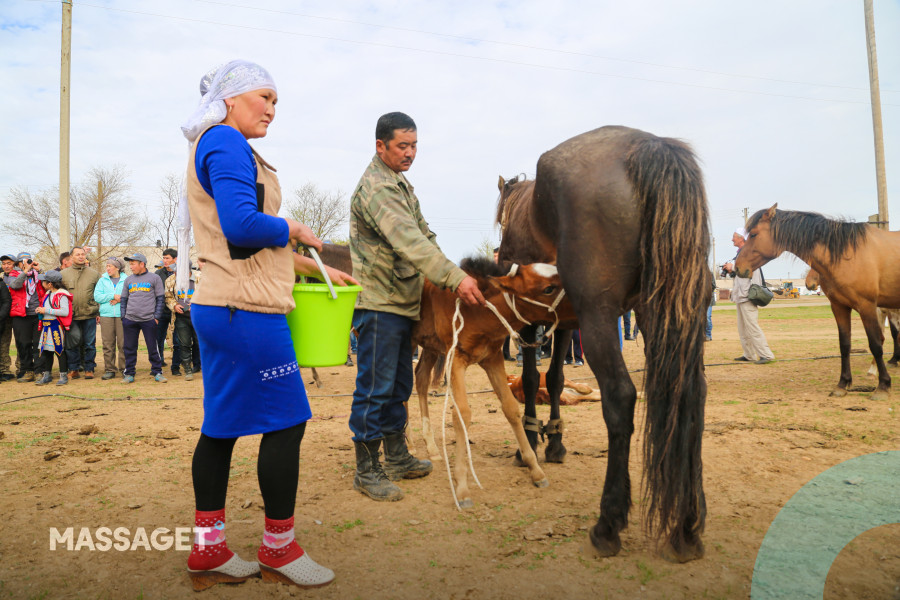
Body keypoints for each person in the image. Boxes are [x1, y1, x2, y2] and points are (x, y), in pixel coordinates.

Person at [179, 59, 356, 591]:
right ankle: (279, 548)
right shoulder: (225, 142)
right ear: (231, 99)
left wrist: (308, 264)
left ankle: (209, 548)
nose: (272, 110)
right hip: (248, 312)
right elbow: (241, 224)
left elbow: (236, 241)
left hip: (223, 303)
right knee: (286, 420)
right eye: (264, 98)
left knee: (222, 427)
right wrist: (296, 228)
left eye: (276, 102)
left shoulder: (217, 144)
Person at [349, 111, 485, 502]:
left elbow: (426, 234)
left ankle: (395, 455)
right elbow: (410, 241)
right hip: (380, 301)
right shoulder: (378, 189)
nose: (410, 153)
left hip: (405, 301)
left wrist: (447, 276)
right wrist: (455, 278)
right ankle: (367, 468)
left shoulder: (401, 185)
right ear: (381, 146)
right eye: (402, 146)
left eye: (414, 146)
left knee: (399, 384)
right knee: (375, 385)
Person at [724, 227, 775, 364]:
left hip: (747, 295)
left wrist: (732, 266)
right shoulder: (741, 253)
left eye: (734, 236)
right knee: (742, 328)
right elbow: (742, 273)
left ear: (742, 238)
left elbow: (748, 268)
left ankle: (766, 355)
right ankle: (749, 354)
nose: (732, 239)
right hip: (740, 295)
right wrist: (731, 270)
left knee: (752, 326)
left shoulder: (750, 252)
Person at [119, 253, 166, 383]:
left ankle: (157, 371)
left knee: (152, 347)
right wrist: (124, 317)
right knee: (129, 347)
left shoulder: (154, 278)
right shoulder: (128, 280)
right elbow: (123, 300)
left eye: (133, 264)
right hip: (130, 319)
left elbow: (160, 299)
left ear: (142, 264)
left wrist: (156, 317)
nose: (131, 266)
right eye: (130, 264)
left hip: (148, 320)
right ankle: (129, 373)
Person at [60, 246, 100, 379]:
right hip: (71, 316)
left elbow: (99, 293)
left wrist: (97, 310)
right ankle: (74, 368)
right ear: (71, 257)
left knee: (90, 343)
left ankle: (89, 368)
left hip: (90, 314)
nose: (81, 256)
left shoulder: (94, 274)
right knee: (72, 344)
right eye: (78, 254)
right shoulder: (63, 274)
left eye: (83, 254)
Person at [7, 252, 45, 382]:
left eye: (28, 261)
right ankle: (27, 371)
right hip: (20, 315)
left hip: (37, 314)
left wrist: (40, 270)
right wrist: (25, 272)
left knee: (39, 344)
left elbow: (48, 285)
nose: (26, 264)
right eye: (22, 262)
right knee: (23, 344)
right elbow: (15, 285)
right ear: (18, 264)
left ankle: (39, 371)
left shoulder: (37, 275)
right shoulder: (13, 274)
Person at [34, 271, 73, 386]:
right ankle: (47, 375)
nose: (42, 283)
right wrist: (41, 310)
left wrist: (46, 310)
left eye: (44, 281)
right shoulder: (48, 294)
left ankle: (63, 375)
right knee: (46, 352)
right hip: (46, 327)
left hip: (56, 327)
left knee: (59, 351)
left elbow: (65, 312)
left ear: (50, 284)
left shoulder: (62, 295)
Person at [164, 259, 197, 380]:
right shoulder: (170, 280)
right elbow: (168, 297)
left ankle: (202, 366)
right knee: (184, 344)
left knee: (200, 342)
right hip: (181, 317)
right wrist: (175, 305)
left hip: (198, 316)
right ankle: (188, 370)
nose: (175, 272)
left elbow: (209, 294)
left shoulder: (201, 278)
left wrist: (198, 305)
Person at [94, 257, 126, 380]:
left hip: (122, 315)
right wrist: (112, 295)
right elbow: (97, 296)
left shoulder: (126, 280)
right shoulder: (102, 280)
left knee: (123, 344)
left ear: (117, 268)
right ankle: (110, 369)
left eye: (110, 266)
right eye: (106, 266)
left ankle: (124, 368)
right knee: (108, 344)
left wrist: (119, 299)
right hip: (106, 315)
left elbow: (131, 295)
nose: (107, 268)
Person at [155, 248, 183, 375]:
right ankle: (159, 360)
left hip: (176, 312)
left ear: (175, 259)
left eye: (167, 258)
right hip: (161, 311)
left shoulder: (181, 274)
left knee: (177, 340)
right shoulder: (158, 274)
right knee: (158, 338)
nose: (164, 260)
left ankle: (176, 366)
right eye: (164, 258)